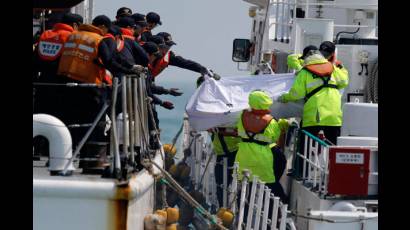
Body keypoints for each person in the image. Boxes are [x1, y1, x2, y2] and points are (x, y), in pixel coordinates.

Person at [56, 15, 116, 173]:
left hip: (66, 83)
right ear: (102, 27)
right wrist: (127, 69)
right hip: (90, 86)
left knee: (71, 122)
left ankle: (63, 156)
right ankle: (90, 162)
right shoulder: (98, 39)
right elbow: (108, 61)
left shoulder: (74, 35)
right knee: (94, 123)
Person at [278, 47, 349, 145]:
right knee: (333, 148)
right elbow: (344, 82)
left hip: (314, 116)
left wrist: (284, 98)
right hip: (334, 116)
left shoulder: (304, 72)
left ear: (306, 58)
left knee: (304, 149)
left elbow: (297, 94)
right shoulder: (333, 68)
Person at [236, 90, 289, 218]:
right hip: (262, 158)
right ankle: (276, 213)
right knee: (270, 186)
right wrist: (282, 124)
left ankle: (242, 217)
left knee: (244, 188)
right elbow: (275, 136)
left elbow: (239, 130)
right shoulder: (271, 122)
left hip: (243, 156)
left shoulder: (242, 117)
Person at [33, 12, 84, 115]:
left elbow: (35, 60)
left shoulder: (46, 34)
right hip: (62, 86)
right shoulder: (73, 37)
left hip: (42, 84)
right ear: (75, 25)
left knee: (39, 117)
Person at [147, 33, 212, 78]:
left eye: (170, 45)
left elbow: (186, 63)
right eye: (166, 45)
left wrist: (201, 69)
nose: (168, 48)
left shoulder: (168, 57)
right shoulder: (145, 51)